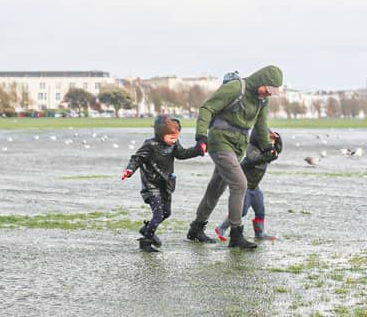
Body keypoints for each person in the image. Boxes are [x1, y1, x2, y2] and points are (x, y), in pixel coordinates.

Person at [186, 65, 283, 250]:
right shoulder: (236, 88)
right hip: (219, 142)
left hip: (238, 147)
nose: (269, 94)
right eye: (268, 89)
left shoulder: (262, 101)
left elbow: (261, 126)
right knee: (240, 184)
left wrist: (268, 148)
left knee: (216, 188)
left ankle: (196, 229)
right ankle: (236, 235)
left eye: (272, 92)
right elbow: (207, 108)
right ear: (261, 81)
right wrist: (201, 136)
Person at [121, 115, 205, 252]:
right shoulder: (150, 145)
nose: (174, 141)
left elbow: (182, 154)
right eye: (171, 138)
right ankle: (146, 242)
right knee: (158, 214)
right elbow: (136, 159)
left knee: (167, 213)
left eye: (176, 138)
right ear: (161, 135)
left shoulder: (174, 144)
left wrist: (198, 150)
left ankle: (147, 229)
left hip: (166, 185)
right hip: (151, 184)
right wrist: (129, 170)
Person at [214, 129, 283, 241]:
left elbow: (278, 150)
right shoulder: (252, 149)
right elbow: (254, 160)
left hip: (255, 188)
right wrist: (268, 156)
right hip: (244, 187)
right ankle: (221, 228)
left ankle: (260, 234)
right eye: (269, 141)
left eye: (272, 142)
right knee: (242, 211)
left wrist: (278, 138)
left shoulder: (268, 150)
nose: (271, 144)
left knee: (260, 210)